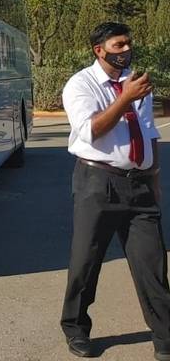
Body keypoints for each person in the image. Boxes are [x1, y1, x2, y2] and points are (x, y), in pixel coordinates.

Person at [60, 22, 167, 359]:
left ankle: (165, 339)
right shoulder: (81, 85)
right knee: (86, 262)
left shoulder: (136, 82)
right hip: (97, 183)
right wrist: (125, 99)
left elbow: (149, 134)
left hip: (139, 186)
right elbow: (91, 130)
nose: (126, 50)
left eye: (128, 44)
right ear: (100, 50)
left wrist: (154, 179)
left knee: (153, 265)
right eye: (119, 45)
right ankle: (76, 328)